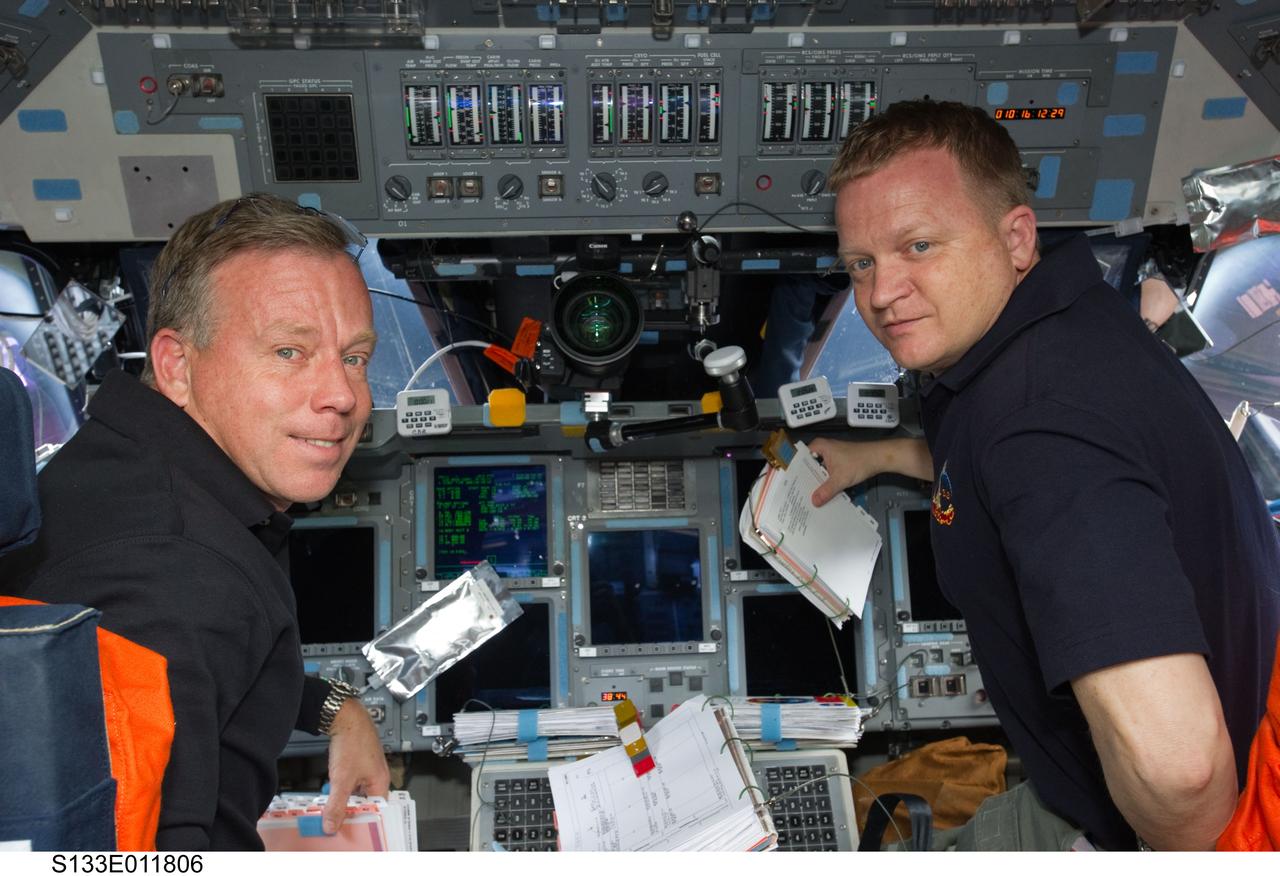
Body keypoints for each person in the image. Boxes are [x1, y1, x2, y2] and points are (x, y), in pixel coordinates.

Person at [810, 100, 1280, 850]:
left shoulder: (1040, 426)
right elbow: (1013, 471)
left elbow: (1178, 769)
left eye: (919, 246)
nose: (880, 292)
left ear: (1017, 237)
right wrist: (884, 456)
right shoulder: (1065, 332)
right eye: (861, 262)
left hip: (1148, 829)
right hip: (1096, 782)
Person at [0, 194, 391, 850]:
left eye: (354, 356)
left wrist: (331, 707)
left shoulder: (119, 467)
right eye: (290, 352)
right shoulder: (176, 570)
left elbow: (185, 676)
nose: (343, 395)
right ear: (178, 366)